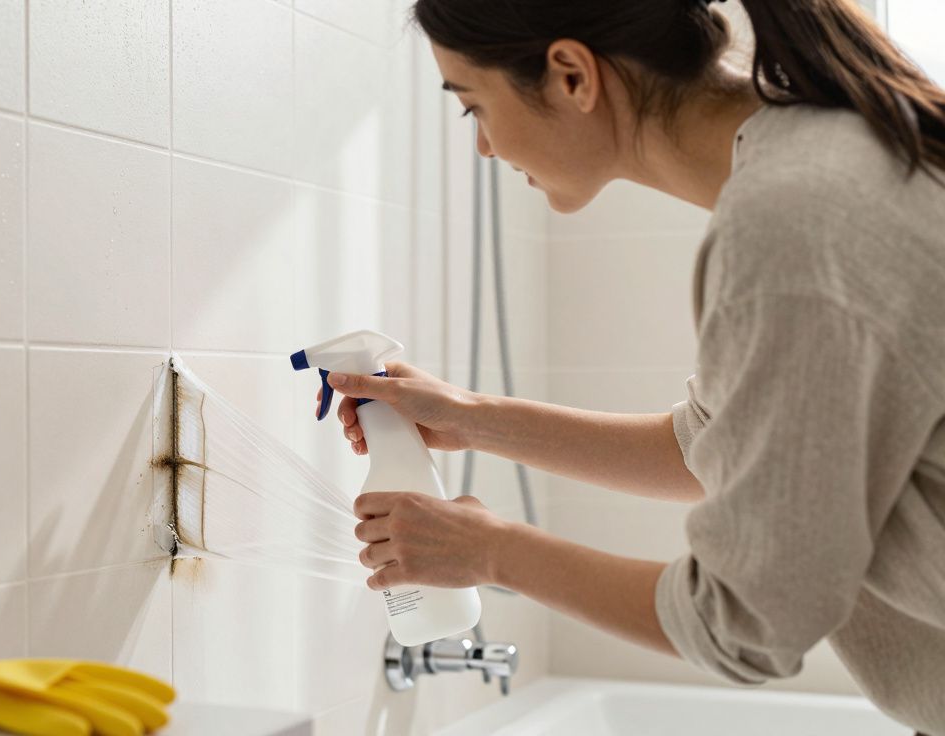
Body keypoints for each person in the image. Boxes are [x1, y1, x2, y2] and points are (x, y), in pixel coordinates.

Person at [323, 1, 945, 733]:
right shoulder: (835, 157)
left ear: (571, 76)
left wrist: (488, 551)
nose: (485, 148)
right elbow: (718, 450)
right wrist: (472, 420)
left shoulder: (797, 221)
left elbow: (742, 624)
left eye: (473, 108)